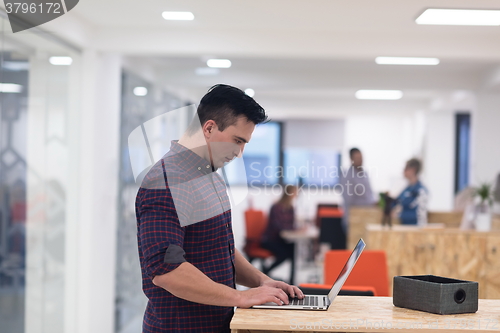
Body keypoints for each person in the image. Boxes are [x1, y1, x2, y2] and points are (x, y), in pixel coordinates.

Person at [135, 84, 303, 333]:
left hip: (218, 322)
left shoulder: (210, 175)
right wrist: (241, 297)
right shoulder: (166, 181)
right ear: (209, 127)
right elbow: (166, 271)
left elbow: (219, 246)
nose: (239, 153)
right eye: (237, 141)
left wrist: (262, 281)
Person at [261, 185, 298, 285]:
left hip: (281, 240)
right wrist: (291, 229)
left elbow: (291, 224)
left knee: (293, 249)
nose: (296, 194)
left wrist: (296, 229)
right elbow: (278, 225)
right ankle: (266, 271)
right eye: (295, 192)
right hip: (270, 239)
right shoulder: (276, 207)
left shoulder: (291, 208)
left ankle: (292, 280)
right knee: (285, 253)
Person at [340, 148, 375, 231]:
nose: (360, 160)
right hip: (353, 219)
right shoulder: (347, 175)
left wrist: (373, 202)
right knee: (355, 244)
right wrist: (369, 203)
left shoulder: (364, 173)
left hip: (366, 218)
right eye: (357, 158)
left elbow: (369, 193)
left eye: (361, 158)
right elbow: (349, 200)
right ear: (351, 159)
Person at [393, 158, 428, 226]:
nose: (403, 171)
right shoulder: (407, 189)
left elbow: (418, 215)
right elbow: (396, 201)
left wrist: (398, 215)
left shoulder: (421, 191)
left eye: (405, 169)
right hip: (405, 227)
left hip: (416, 229)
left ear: (413, 170)